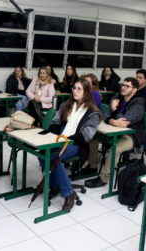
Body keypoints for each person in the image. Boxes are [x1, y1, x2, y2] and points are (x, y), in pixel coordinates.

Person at [42, 78, 101, 210]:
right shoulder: (66, 105)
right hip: (61, 138)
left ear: (86, 92)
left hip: (77, 143)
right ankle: (59, 185)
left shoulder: (93, 113)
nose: (75, 91)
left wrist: (67, 138)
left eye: (79, 89)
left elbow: (87, 135)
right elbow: (55, 122)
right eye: (74, 88)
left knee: (52, 157)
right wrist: (54, 136)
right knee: (42, 153)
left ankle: (68, 194)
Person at [85, 77, 146, 187]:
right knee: (92, 138)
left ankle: (103, 179)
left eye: (127, 86)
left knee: (114, 149)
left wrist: (115, 110)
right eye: (123, 85)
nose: (123, 88)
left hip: (131, 136)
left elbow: (124, 122)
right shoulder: (117, 97)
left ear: (135, 90)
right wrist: (112, 120)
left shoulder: (138, 103)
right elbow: (105, 114)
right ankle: (92, 167)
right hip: (115, 130)